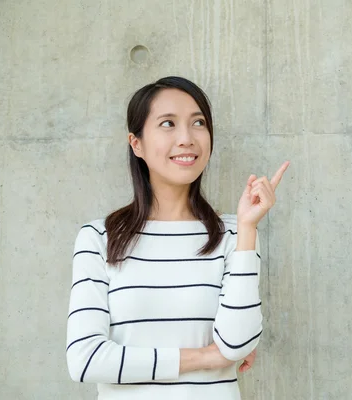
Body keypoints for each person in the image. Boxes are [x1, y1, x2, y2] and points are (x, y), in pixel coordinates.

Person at [66, 76, 289, 399]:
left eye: (198, 123)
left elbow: (237, 343)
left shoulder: (235, 233)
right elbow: (85, 360)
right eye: (168, 124)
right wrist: (204, 357)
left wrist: (248, 228)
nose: (186, 138)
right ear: (136, 143)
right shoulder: (99, 238)